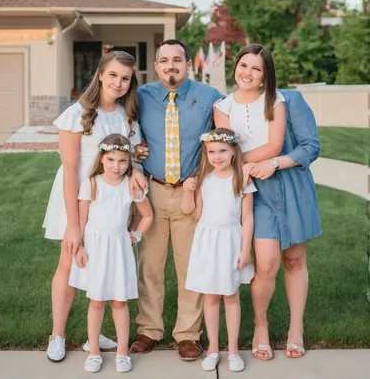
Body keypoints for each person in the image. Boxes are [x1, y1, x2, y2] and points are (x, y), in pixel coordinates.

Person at [214, 44, 321, 361]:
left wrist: (274, 163)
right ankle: (261, 326)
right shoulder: (222, 107)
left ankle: (295, 328)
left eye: (256, 68)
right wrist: (238, 167)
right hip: (253, 194)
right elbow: (224, 150)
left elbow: (310, 146)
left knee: (295, 260)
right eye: (243, 65)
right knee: (267, 264)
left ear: (265, 76)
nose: (247, 72)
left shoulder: (287, 100)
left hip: (290, 186)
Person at [43, 51, 147, 362]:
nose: (118, 82)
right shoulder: (77, 114)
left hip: (111, 203)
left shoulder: (126, 116)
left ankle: (95, 335)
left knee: (103, 267)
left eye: (125, 78)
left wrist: (138, 166)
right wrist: (74, 225)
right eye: (113, 75)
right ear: (100, 74)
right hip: (76, 199)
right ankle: (57, 335)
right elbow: (71, 169)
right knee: (70, 262)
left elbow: (132, 157)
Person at [130, 39, 224, 360]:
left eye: (177, 59)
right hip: (152, 190)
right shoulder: (140, 97)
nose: (171, 65)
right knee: (150, 265)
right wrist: (136, 164)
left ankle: (188, 333)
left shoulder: (209, 97)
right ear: (156, 66)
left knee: (190, 266)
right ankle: (148, 328)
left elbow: (227, 137)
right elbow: (128, 135)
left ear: (188, 64)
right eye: (164, 60)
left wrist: (203, 176)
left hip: (190, 191)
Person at [69, 134, 153, 373]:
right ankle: (94, 351)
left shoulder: (131, 186)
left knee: (119, 301)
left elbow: (147, 216)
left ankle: (122, 352)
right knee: (96, 301)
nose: (117, 166)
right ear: (102, 158)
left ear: (129, 161)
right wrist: (80, 248)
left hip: (118, 248)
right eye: (111, 160)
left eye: (123, 161)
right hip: (95, 248)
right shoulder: (92, 183)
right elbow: (82, 219)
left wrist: (135, 236)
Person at [182, 128, 256, 372]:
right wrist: (188, 192)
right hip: (207, 241)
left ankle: (233, 350)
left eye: (222, 151)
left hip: (231, 241)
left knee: (231, 295)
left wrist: (246, 249)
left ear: (234, 151)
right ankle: (213, 348)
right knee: (211, 296)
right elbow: (193, 214)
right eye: (212, 151)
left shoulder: (241, 180)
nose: (217, 156)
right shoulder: (204, 179)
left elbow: (247, 217)